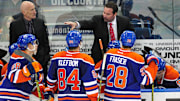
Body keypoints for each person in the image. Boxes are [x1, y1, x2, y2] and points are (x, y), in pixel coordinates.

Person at [97, 30, 160, 101]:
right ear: (133, 43)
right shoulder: (136, 58)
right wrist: (153, 62)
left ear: (121, 40)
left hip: (110, 98)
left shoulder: (109, 53)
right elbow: (146, 80)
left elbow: (101, 77)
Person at [64, 1, 134, 64]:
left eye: (108, 14)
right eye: (104, 12)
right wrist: (76, 24)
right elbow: (87, 23)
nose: (104, 15)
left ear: (115, 14)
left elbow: (132, 33)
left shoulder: (124, 21)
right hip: (100, 56)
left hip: (119, 55)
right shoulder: (97, 20)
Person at [44, 30, 98, 101]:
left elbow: (50, 82)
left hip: (63, 98)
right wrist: (95, 98)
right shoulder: (86, 59)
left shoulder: (57, 57)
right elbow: (90, 86)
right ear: (80, 43)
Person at [9, 1, 50, 85]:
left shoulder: (40, 23)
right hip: (23, 64)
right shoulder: (15, 25)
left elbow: (45, 43)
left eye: (35, 9)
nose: (35, 12)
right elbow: (13, 45)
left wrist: (44, 59)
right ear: (24, 12)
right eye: (32, 10)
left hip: (40, 61)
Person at [0, 34, 44, 100]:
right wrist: (28, 70)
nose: (36, 45)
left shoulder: (33, 61)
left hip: (21, 97)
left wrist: (45, 92)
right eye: (34, 43)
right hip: (8, 96)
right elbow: (13, 76)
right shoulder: (17, 56)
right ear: (28, 46)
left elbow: (34, 84)